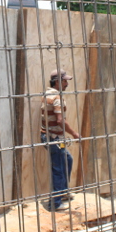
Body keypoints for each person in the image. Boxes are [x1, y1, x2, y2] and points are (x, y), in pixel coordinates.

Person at [40, 69, 80, 211]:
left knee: (67, 160)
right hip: (54, 138)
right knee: (58, 168)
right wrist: (74, 133)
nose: (66, 84)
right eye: (64, 81)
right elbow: (60, 121)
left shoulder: (47, 94)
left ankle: (62, 193)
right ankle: (55, 204)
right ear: (57, 82)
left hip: (50, 136)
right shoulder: (57, 97)